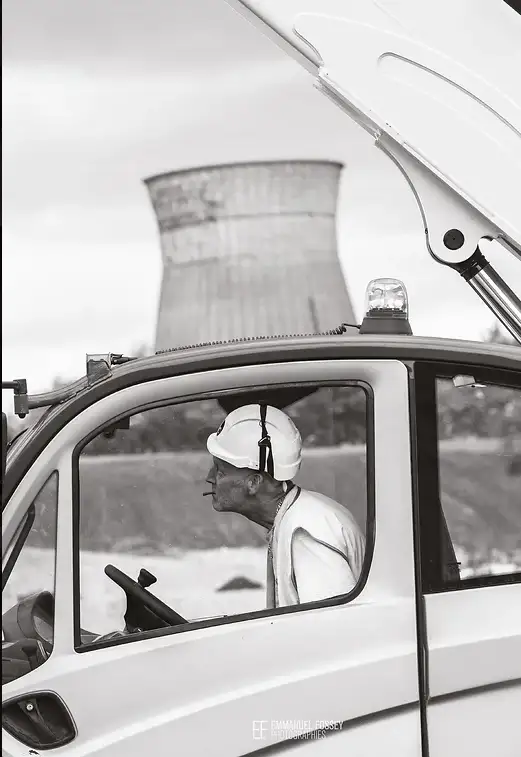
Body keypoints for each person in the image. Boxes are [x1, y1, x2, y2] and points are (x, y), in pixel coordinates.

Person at [205, 403, 365, 608]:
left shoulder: (304, 532)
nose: (210, 478)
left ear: (253, 483)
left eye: (220, 471)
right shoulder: (295, 518)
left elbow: (329, 624)